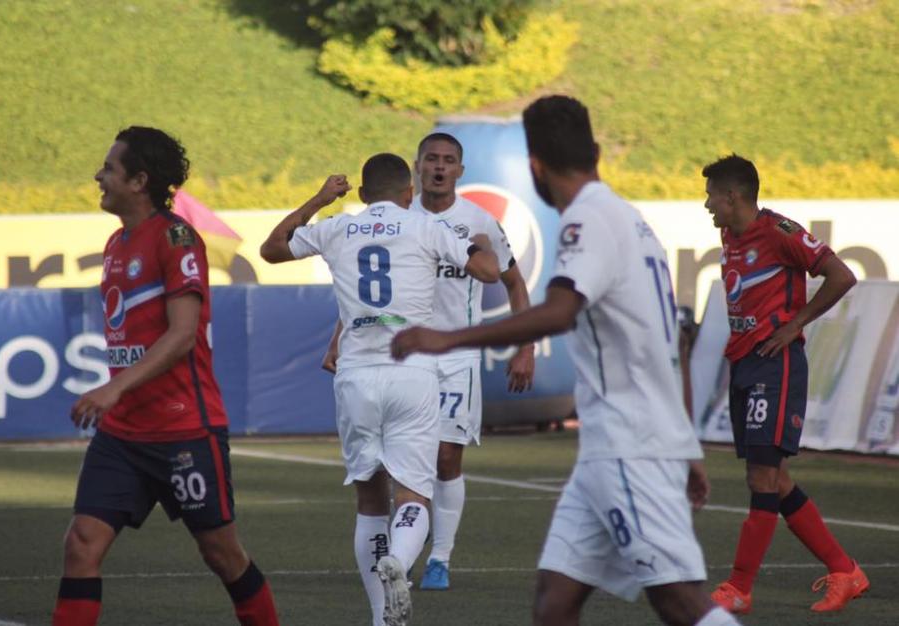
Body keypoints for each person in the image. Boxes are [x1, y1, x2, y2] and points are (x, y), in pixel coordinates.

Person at [391, 95, 739, 626]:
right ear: (595, 151)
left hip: (630, 445)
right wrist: (687, 442)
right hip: (610, 451)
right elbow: (672, 344)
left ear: (534, 168)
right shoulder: (633, 220)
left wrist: (447, 339)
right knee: (554, 602)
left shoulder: (587, 221)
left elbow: (558, 311)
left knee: (678, 600)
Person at [259, 155, 499, 626]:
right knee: (415, 496)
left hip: (356, 377)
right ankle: (401, 561)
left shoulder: (336, 227)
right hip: (411, 373)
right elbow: (490, 272)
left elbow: (271, 249)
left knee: (370, 500)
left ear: (363, 195)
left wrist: (319, 199)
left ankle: (381, 618)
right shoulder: (426, 227)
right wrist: (481, 242)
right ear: (408, 193)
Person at [54, 127, 279, 626]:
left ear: (139, 180)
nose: (99, 175)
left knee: (222, 554)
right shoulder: (117, 241)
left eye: (109, 168)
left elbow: (182, 336)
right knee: (82, 544)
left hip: (184, 431)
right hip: (123, 435)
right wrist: (119, 396)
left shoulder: (177, 238)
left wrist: (113, 386)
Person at [322, 132, 536, 592]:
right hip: (399, 355)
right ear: (416, 168)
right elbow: (367, 290)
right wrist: (338, 338)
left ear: (460, 170)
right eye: (431, 159)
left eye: (449, 161)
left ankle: (439, 556)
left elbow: (514, 284)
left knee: (444, 457)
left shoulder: (479, 222)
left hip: (455, 355)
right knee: (390, 471)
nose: (439, 167)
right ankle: (402, 556)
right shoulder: (396, 215)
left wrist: (526, 346)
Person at [701, 154, 867, 614]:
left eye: (712, 194)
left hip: (776, 364)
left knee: (762, 476)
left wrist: (797, 324)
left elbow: (842, 275)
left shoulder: (780, 232)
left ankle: (739, 587)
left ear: (733, 196)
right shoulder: (728, 234)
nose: (707, 204)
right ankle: (844, 570)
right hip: (745, 363)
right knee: (775, 478)